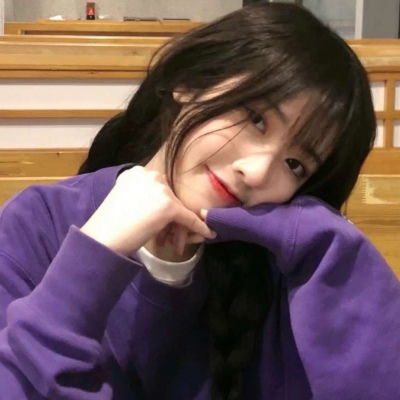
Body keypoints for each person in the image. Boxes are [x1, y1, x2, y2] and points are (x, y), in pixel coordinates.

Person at [0, 2, 399, 399]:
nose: (257, 172)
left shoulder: (277, 270)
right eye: (256, 118)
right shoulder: (36, 224)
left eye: (295, 164)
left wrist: (333, 247)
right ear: (189, 83)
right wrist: (96, 253)